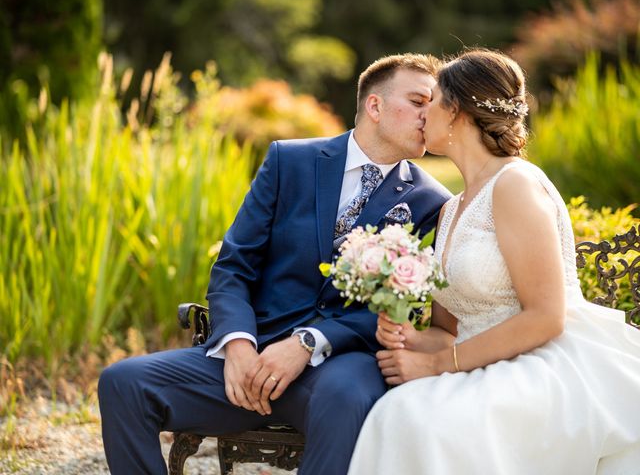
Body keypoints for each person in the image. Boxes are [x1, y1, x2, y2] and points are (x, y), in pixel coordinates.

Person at [97, 53, 451, 475]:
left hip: (338, 366)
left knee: (348, 399)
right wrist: (238, 346)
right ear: (374, 106)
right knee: (123, 383)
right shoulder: (289, 161)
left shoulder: (431, 202)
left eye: (433, 104)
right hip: (252, 357)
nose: (429, 115)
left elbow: (401, 309)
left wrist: (307, 342)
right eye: (418, 101)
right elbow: (234, 266)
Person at [348, 49, 640, 475]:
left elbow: (545, 318)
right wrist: (408, 339)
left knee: (428, 422)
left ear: (457, 111)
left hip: (546, 359)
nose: (422, 112)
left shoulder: (515, 184)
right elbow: (447, 330)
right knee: (397, 411)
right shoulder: (449, 210)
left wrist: (435, 365)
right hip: (482, 358)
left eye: (431, 100)